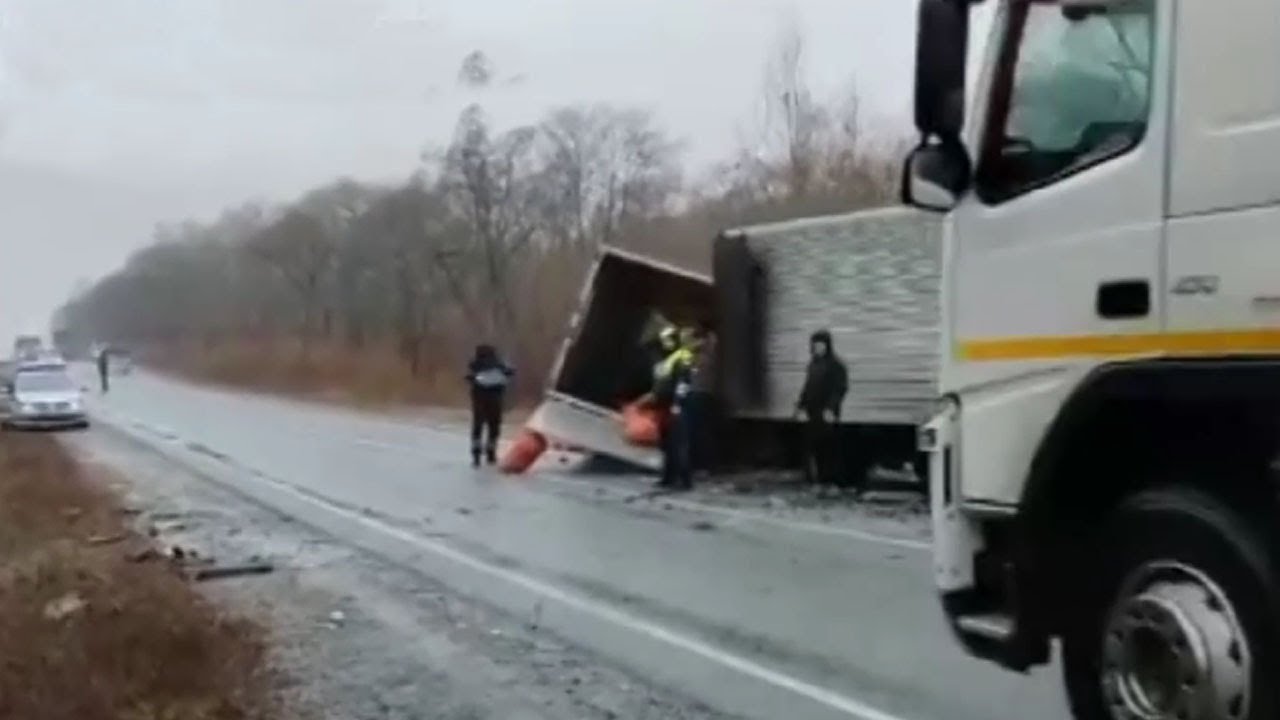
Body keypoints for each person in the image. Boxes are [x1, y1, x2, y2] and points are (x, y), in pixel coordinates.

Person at [795, 330, 848, 486]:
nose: (817, 348)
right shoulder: (813, 365)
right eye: (815, 345)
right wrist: (801, 407)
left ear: (827, 346)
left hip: (826, 413)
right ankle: (813, 480)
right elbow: (807, 388)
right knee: (811, 447)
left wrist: (831, 408)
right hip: (812, 412)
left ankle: (830, 481)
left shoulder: (836, 365)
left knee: (828, 449)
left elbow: (840, 389)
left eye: (820, 345)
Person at [647, 326, 695, 490]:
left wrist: (677, 404)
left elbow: (683, 383)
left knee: (678, 444)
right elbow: (661, 383)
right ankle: (668, 478)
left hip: (676, 408)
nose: (665, 343)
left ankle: (685, 481)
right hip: (664, 406)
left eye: (667, 340)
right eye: (664, 340)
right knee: (666, 444)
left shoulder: (683, 356)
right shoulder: (667, 359)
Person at [466, 344, 514, 467]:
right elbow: (509, 372)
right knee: (494, 426)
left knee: (478, 426)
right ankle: (491, 453)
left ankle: (476, 454)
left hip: (480, 400)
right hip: (495, 399)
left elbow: (470, 375)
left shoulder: (475, 364)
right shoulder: (499, 364)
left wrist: (471, 378)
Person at [686, 324, 719, 478]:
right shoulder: (703, 353)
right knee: (699, 432)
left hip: (700, 395)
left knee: (700, 432)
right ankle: (701, 466)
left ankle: (702, 466)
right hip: (700, 394)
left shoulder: (706, 351)